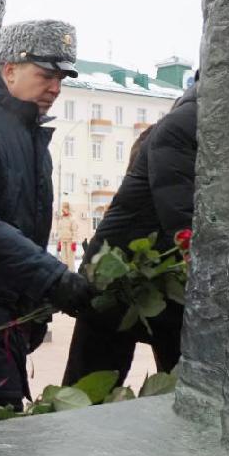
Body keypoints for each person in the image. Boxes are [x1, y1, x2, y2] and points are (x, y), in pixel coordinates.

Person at [0, 20, 93, 413]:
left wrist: (35, 303)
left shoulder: (27, 129)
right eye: (45, 75)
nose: (55, 88)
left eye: (61, 79)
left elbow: (25, 222)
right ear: (9, 69)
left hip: (6, 318)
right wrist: (53, 278)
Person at [62, 80, 198, 385]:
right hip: (118, 279)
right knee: (90, 395)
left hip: (163, 284)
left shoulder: (185, 122)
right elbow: (184, 221)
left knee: (177, 391)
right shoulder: (185, 125)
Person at [56, 201, 79, 267]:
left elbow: (75, 231)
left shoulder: (72, 219)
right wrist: (59, 242)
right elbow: (60, 230)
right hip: (63, 241)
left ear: (69, 209)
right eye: (63, 208)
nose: (63, 209)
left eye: (65, 208)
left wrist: (74, 242)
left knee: (70, 261)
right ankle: (65, 275)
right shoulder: (61, 219)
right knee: (63, 260)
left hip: (70, 242)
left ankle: (71, 275)